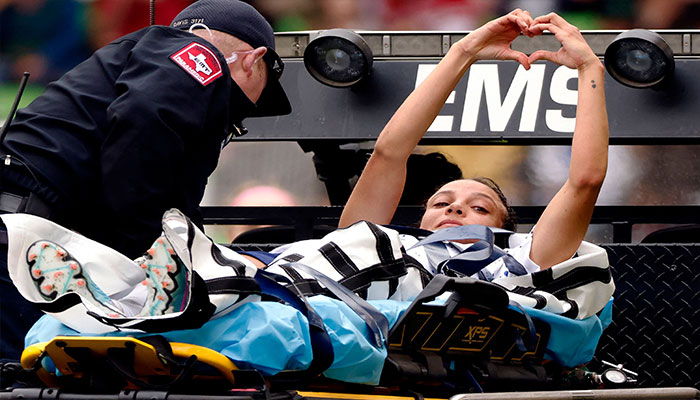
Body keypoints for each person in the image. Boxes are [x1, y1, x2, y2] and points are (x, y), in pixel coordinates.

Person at [0, 0, 289, 360]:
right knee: (21, 376)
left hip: (25, 227)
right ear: (253, 60)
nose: (242, 117)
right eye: (247, 109)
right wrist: (153, 252)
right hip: (21, 233)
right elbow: (142, 130)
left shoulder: (139, 57)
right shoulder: (199, 56)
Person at [339, 9, 609, 273]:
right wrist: (464, 51)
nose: (455, 208)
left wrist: (589, 68)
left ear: (503, 232)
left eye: (480, 208)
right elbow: (388, 154)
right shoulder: (377, 251)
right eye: (440, 204)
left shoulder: (521, 262)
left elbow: (585, 182)